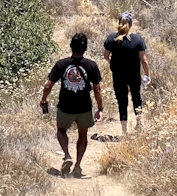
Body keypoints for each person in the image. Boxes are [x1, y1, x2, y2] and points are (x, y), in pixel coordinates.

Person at [41, 32, 103, 176]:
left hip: (65, 107)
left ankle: (67, 155)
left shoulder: (61, 64)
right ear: (85, 48)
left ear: (71, 46)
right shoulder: (91, 65)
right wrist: (100, 108)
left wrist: (44, 99)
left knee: (61, 130)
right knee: (83, 134)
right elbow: (97, 89)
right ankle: (77, 165)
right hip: (84, 107)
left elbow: (48, 85)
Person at [104, 11, 150, 138]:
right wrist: (147, 75)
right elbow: (144, 60)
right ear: (131, 24)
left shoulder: (111, 38)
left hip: (118, 75)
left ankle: (124, 132)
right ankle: (139, 124)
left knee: (122, 102)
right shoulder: (138, 39)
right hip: (134, 75)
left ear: (119, 23)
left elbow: (106, 56)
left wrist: (113, 63)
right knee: (136, 99)